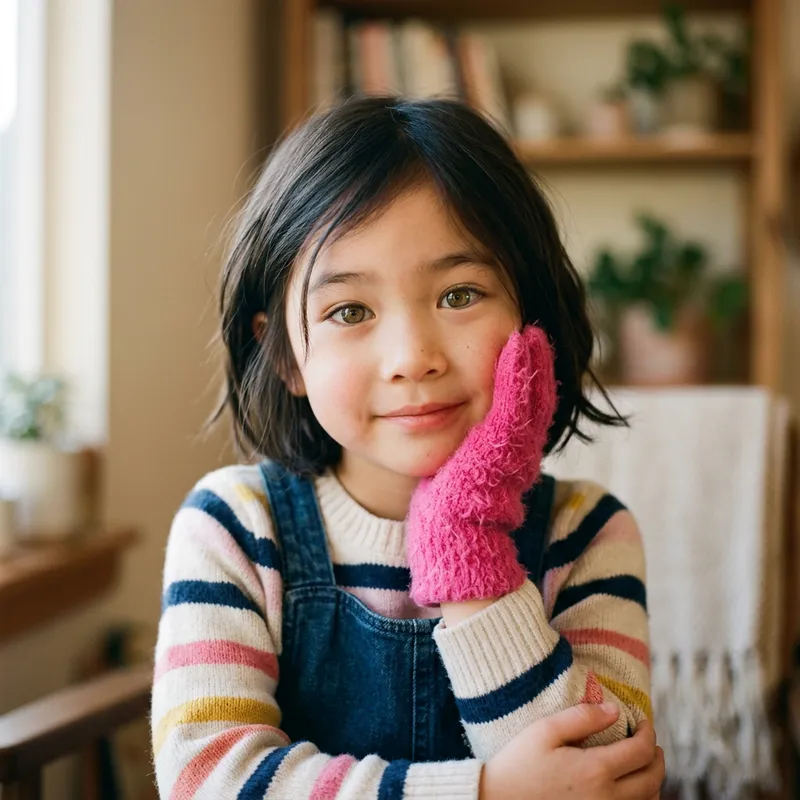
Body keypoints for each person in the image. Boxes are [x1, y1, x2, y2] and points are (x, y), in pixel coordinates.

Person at [151, 96, 664, 799]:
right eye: (350, 311)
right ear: (285, 357)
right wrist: (483, 793)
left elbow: (604, 771)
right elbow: (210, 779)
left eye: (459, 294)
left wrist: (467, 535)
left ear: (532, 321)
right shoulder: (234, 527)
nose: (412, 357)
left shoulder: (590, 532)